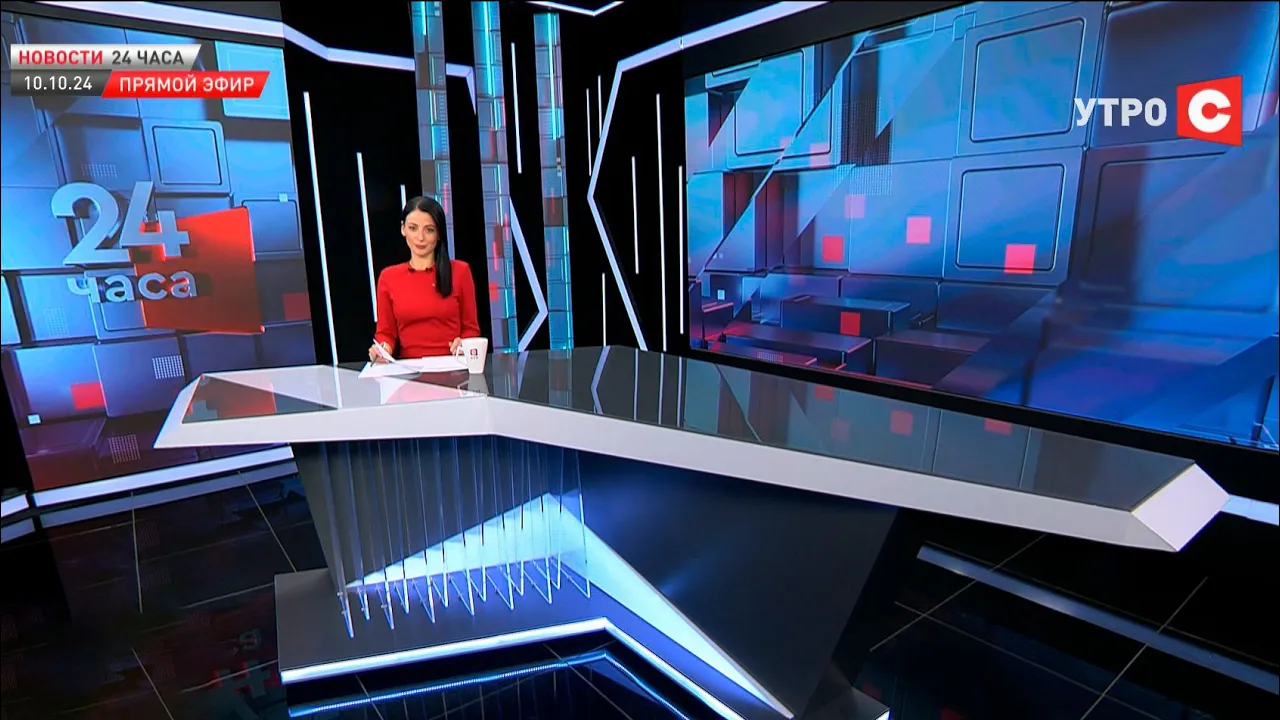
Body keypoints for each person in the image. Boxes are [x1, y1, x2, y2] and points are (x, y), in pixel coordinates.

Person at [368, 196, 481, 362]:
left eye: (429, 230)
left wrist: (465, 343)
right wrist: (382, 350)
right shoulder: (388, 277)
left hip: (453, 366)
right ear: (403, 229)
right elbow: (386, 333)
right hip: (409, 369)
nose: (420, 237)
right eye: (413, 228)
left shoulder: (460, 272)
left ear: (439, 234)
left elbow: (471, 329)